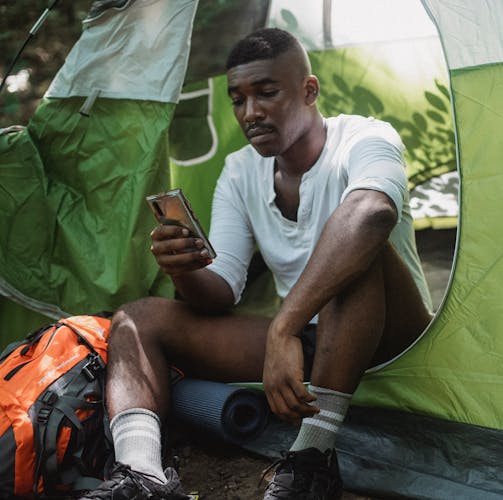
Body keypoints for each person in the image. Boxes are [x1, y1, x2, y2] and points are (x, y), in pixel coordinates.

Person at [80, 27, 433, 500]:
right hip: (313, 342)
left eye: (266, 93)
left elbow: (374, 213)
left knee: (360, 245)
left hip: (394, 335)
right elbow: (223, 288)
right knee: (135, 318)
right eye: (238, 100)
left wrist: (282, 328)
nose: (251, 113)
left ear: (309, 91)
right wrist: (182, 269)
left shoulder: (366, 137)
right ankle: (141, 475)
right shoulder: (240, 170)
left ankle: (312, 459)